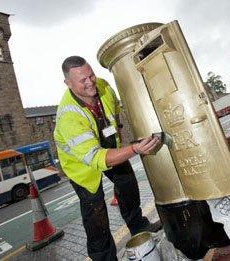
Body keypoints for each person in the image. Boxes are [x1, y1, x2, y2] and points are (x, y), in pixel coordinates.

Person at [54, 56, 163, 260]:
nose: (90, 82)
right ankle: (104, 257)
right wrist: (134, 149)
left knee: (128, 184)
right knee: (96, 214)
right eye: (82, 80)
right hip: (82, 166)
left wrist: (119, 133)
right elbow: (96, 158)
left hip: (108, 146)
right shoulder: (69, 117)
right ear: (68, 83)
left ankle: (138, 226)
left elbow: (115, 109)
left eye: (91, 75)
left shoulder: (102, 86)